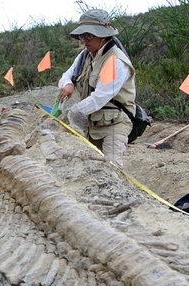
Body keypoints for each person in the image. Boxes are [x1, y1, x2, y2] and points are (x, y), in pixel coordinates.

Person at [58, 8, 137, 167]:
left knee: (111, 168)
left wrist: (71, 113)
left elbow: (99, 98)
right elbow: (67, 74)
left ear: (103, 35)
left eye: (89, 36)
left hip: (115, 126)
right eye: (82, 36)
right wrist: (68, 84)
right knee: (88, 168)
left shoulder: (115, 61)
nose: (85, 41)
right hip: (91, 125)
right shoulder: (85, 55)